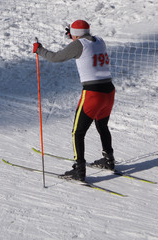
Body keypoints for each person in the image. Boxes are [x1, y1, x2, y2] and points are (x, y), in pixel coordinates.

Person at [33, 20, 115, 182]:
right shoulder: (99, 40)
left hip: (93, 93)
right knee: (102, 125)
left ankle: (79, 170)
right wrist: (73, 35)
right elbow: (83, 41)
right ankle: (109, 160)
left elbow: (56, 58)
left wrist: (40, 50)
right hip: (109, 91)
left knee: (78, 132)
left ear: (75, 34)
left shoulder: (78, 44)